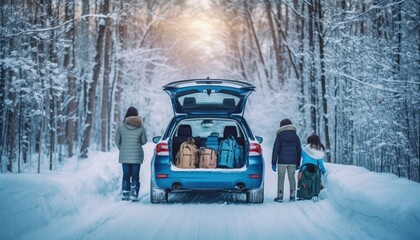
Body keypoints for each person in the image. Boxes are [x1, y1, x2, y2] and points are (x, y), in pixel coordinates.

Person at [115, 107, 148, 201]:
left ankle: (125, 193)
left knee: (126, 174)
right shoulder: (140, 127)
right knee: (135, 175)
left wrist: (123, 149)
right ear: (137, 115)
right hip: (136, 155)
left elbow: (117, 140)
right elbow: (144, 141)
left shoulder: (121, 127)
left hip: (124, 156)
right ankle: (134, 194)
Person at [271, 119, 302, 202]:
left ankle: (280, 196)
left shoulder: (279, 136)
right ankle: (292, 196)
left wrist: (273, 163)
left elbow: (275, 150)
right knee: (292, 178)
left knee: (281, 178)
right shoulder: (295, 136)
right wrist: (298, 163)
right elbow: (299, 150)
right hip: (293, 162)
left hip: (281, 162)